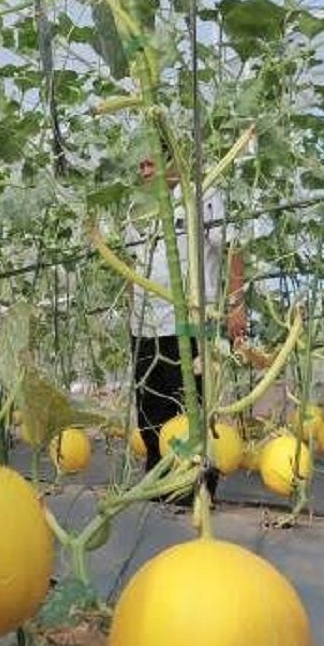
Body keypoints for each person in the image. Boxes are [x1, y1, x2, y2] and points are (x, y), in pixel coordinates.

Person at [129, 153, 246, 489]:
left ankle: (196, 487)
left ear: (176, 161)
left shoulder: (203, 195)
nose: (145, 171)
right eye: (141, 165)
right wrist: (130, 315)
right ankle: (159, 484)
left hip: (192, 322)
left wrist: (236, 303)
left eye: (151, 163)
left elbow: (232, 247)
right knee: (150, 413)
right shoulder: (137, 206)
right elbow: (131, 265)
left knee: (190, 409)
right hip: (145, 327)